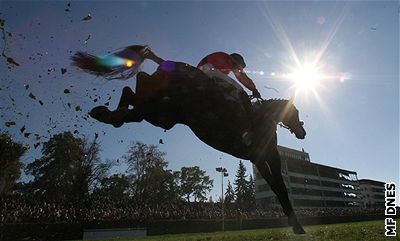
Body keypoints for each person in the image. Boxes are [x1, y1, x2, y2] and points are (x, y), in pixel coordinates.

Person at [197, 52, 262, 100]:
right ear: (235, 61)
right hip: (207, 71)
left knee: (228, 92)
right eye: (239, 66)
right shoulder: (227, 59)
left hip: (203, 72)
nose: (238, 68)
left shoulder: (225, 59)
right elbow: (242, 77)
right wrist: (253, 89)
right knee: (239, 90)